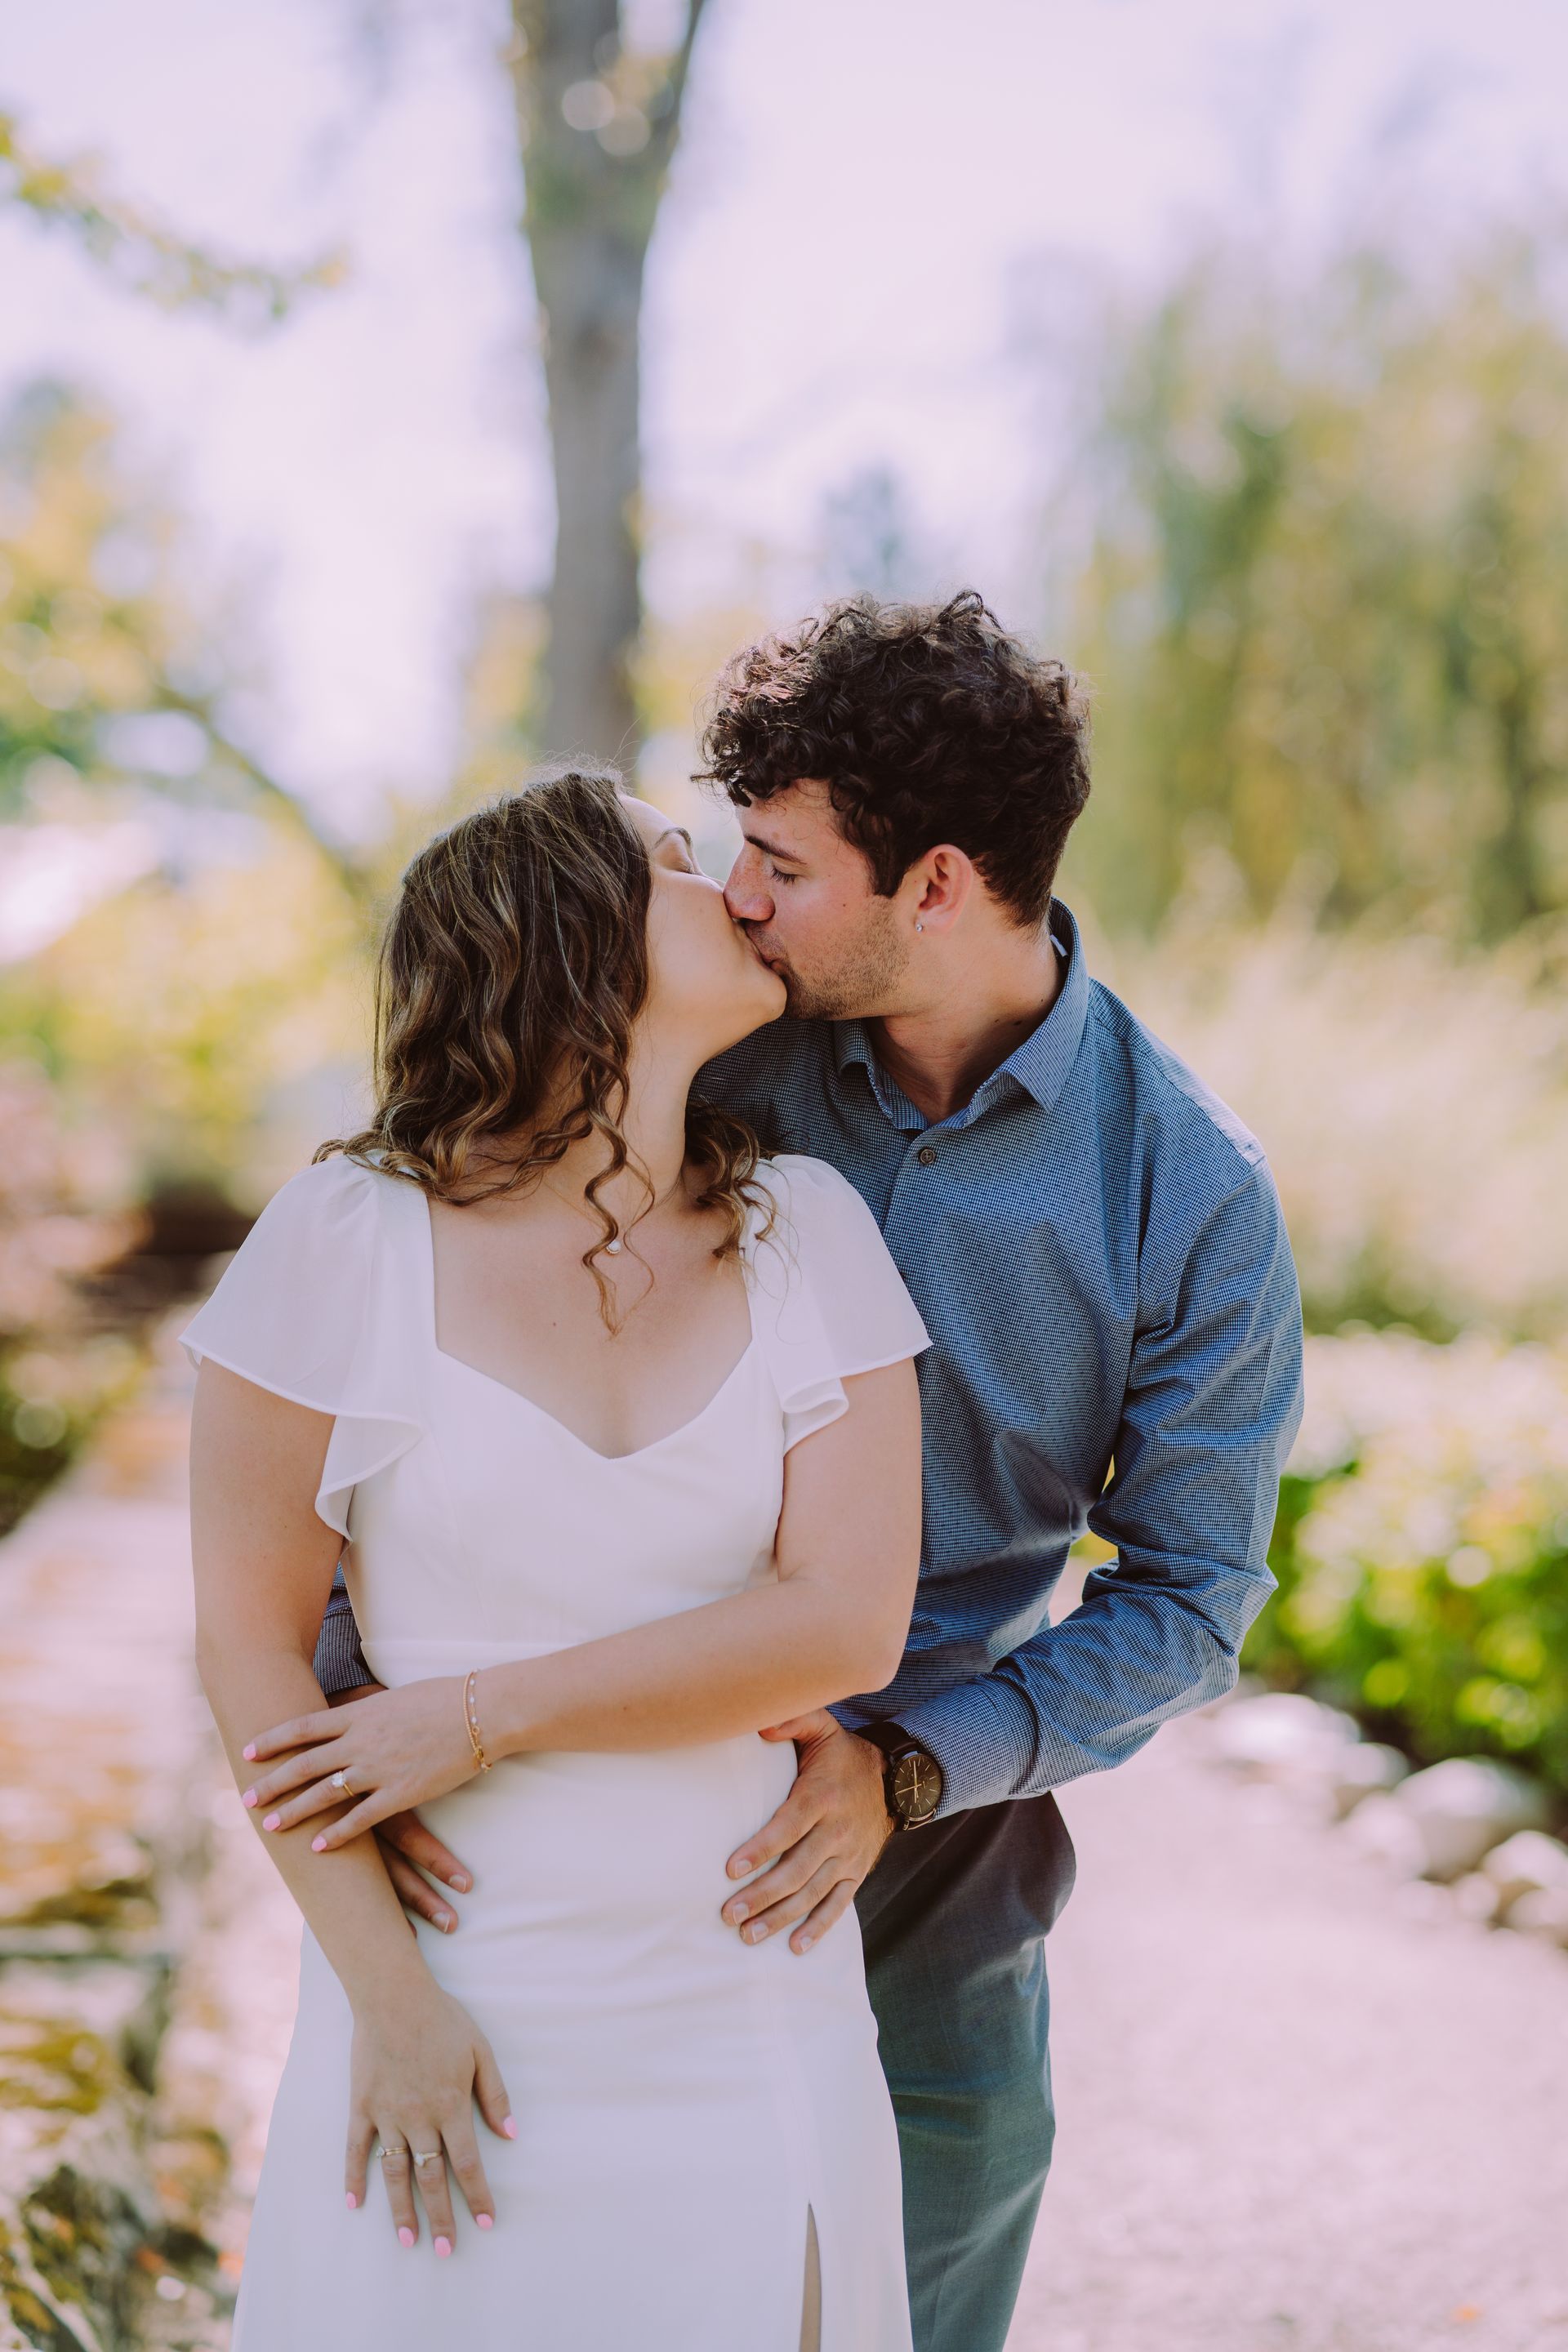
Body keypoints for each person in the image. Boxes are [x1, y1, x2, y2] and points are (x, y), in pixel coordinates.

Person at [317, 590, 1307, 2352]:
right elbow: (422, 1346)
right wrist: (370, 1730)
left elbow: (1194, 1600)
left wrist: (908, 1770)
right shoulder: (701, 1042)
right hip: (573, 1815)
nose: (736, 896)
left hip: (934, 1865)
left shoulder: (1190, 1193)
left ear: (934, 884)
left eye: (776, 859)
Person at [187, 770, 931, 2351]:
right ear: (567, 936)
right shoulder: (340, 1240)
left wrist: (474, 1714)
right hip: (449, 2010)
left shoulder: (812, 1235)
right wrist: (390, 2007)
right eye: (676, 861)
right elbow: (250, 1649)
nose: (733, 887)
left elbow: (848, 1625)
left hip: (745, 2009)